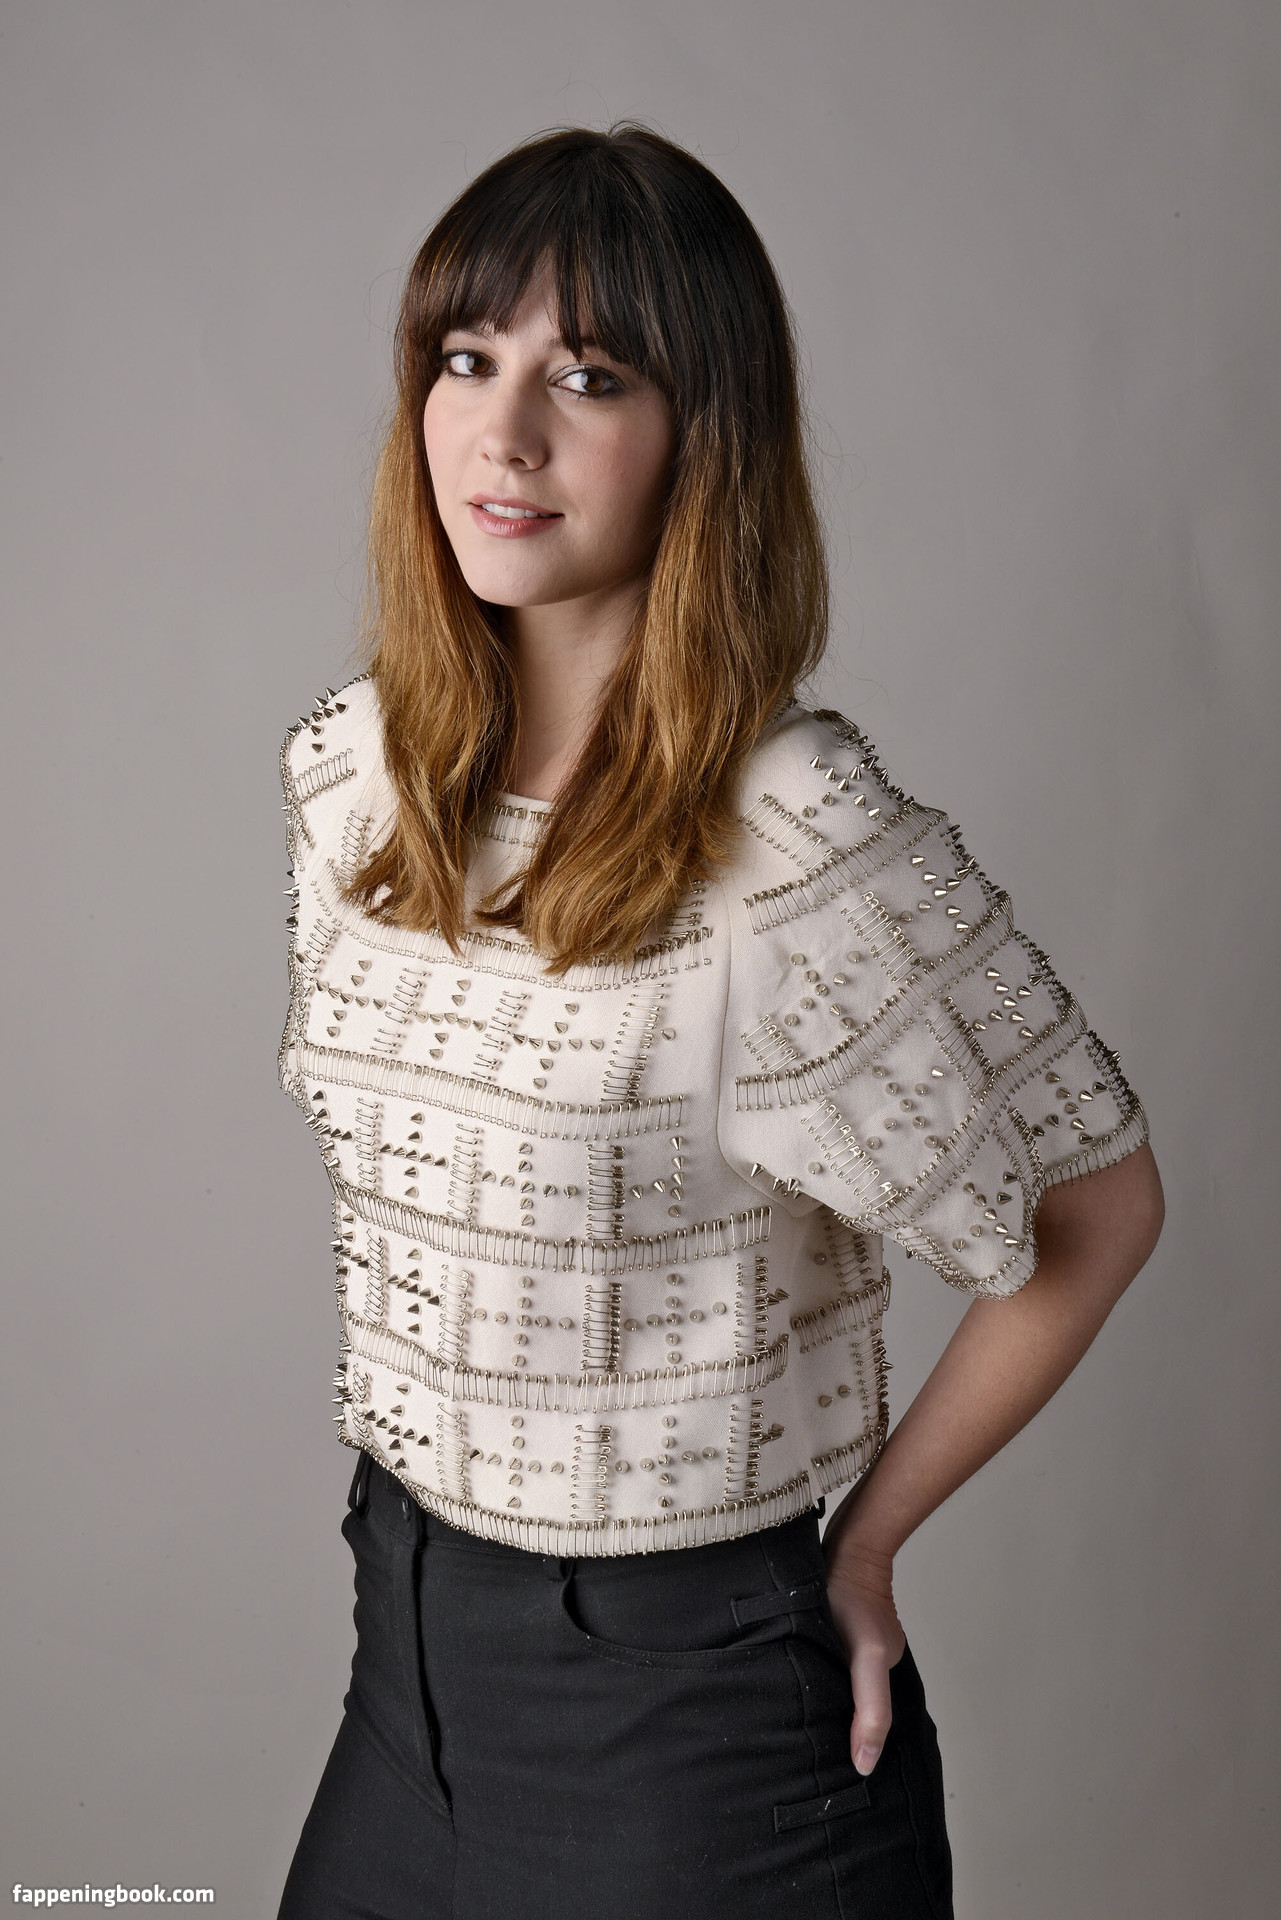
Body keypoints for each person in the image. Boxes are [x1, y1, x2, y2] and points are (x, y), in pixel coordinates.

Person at [274, 124, 1164, 1920]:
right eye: (467, 358)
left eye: (588, 377)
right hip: (401, 1678)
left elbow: (1100, 1203)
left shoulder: (791, 836)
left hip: (686, 1737)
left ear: (706, 436)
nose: (502, 435)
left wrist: (867, 1541)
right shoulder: (355, 775)